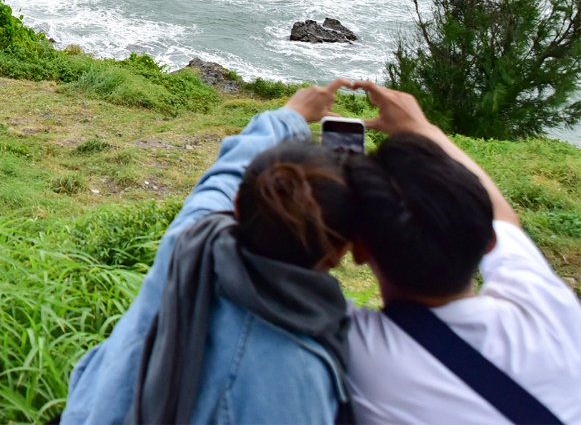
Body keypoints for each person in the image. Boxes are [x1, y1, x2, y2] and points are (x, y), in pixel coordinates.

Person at [63, 80, 356, 424]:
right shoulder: (299, 373)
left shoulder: (191, 241)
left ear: (236, 205)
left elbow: (225, 174)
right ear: (340, 252)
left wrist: (291, 115)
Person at [341, 79, 581, 425]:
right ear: (489, 243)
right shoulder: (548, 310)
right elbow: (504, 218)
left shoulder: (351, 344)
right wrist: (422, 128)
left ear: (358, 250)